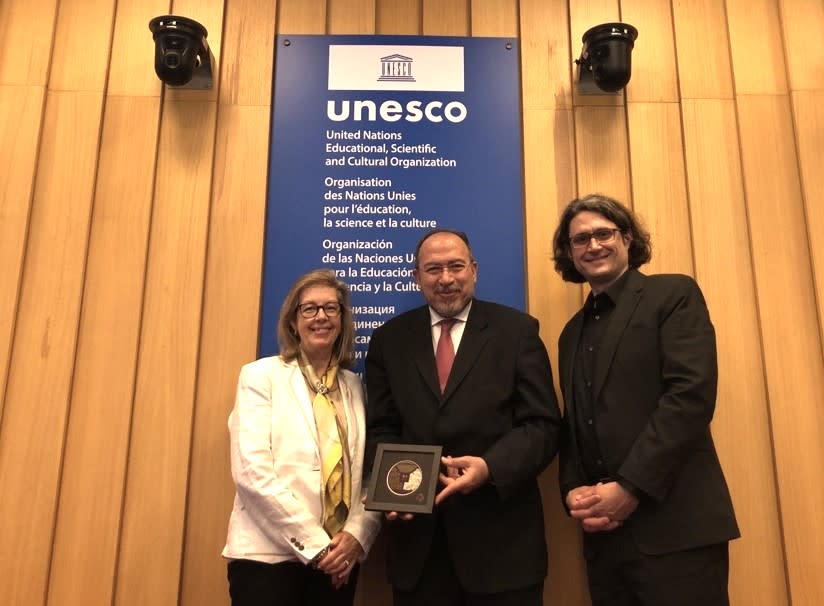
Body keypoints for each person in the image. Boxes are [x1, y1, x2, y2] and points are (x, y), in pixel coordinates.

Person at [551, 194, 739, 606]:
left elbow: (689, 397)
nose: (593, 245)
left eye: (604, 233)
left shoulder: (672, 294)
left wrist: (631, 487)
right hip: (606, 542)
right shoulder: (570, 333)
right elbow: (574, 423)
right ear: (568, 253)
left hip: (677, 532)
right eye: (580, 240)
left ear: (628, 237)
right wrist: (572, 491)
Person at [365, 228, 561, 606]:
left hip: (503, 550)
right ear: (416, 276)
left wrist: (490, 467)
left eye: (456, 266)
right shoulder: (389, 339)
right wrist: (395, 492)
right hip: (418, 551)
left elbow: (543, 425)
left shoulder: (517, 332)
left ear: (474, 270)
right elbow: (382, 428)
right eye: (433, 269)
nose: (446, 279)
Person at [222, 269, 381, 606]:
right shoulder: (260, 376)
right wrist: (317, 546)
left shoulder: (355, 387)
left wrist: (356, 536)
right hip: (268, 559)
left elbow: (369, 474)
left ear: (342, 320)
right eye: (309, 309)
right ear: (294, 321)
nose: (320, 317)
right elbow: (251, 472)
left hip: (338, 563)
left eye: (331, 308)